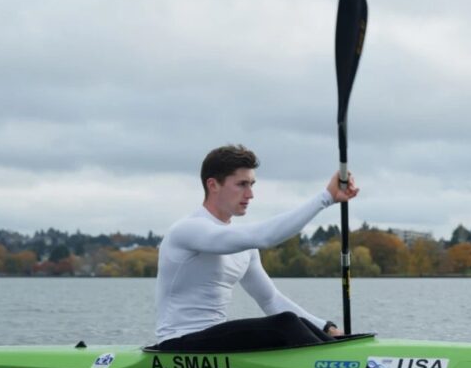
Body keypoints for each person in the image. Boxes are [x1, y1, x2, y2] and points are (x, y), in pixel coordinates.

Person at [153, 144, 359, 352]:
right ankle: (341, 364)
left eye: (252, 184)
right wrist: (326, 198)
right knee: (285, 324)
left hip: (214, 342)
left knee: (298, 323)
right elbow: (265, 237)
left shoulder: (244, 248)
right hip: (176, 343)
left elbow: (270, 299)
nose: (250, 194)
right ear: (213, 185)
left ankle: (340, 352)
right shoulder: (189, 230)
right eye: (242, 184)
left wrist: (325, 327)